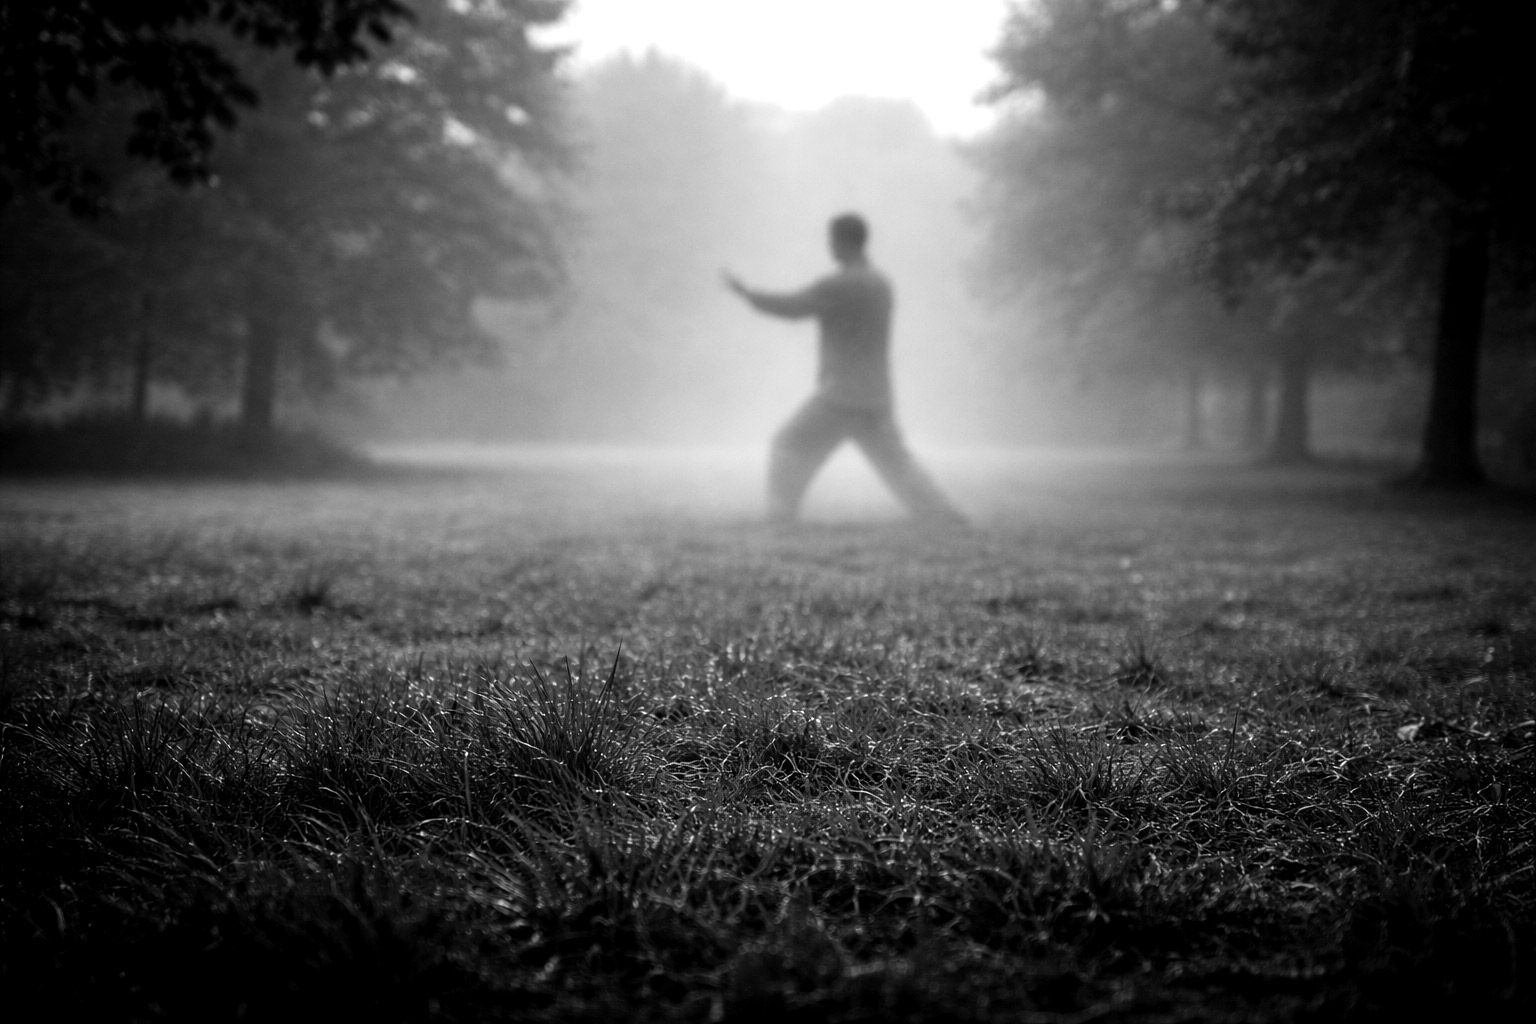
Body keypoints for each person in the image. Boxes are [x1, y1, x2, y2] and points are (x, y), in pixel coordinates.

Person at [723, 213, 964, 525]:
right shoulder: (881, 284)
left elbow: (792, 307)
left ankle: (779, 515)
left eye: (830, 239)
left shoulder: (839, 285)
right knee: (897, 464)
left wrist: (746, 293)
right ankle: (945, 517)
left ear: (841, 241)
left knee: (788, 443)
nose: (828, 245)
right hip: (877, 392)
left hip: (841, 393)